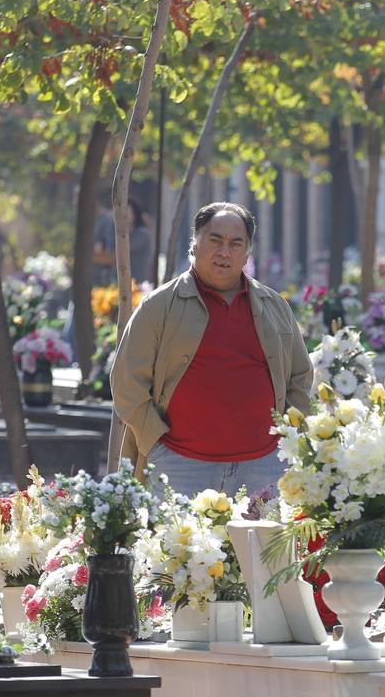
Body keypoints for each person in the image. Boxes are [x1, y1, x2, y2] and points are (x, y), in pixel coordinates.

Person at [111, 201, 312, 496]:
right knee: (174, 544)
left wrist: (290, 436)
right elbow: (127, 381)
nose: (224, 252)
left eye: (235, 243)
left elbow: (300, 377)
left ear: (246, 254)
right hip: (179, 465)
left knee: (260, 545)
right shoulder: (159, 306)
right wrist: (154, 440)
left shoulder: (274, 306)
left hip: (264, 466)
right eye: (215, 240)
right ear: (195, 244)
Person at [94, 196, 155, 286]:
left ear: (134, 213)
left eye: (126, 210)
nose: (121, 214)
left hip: (137, 286)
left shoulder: (141, 234)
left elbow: (112, 257)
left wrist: (91, 257)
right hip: (120, 286)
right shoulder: (117, 233)